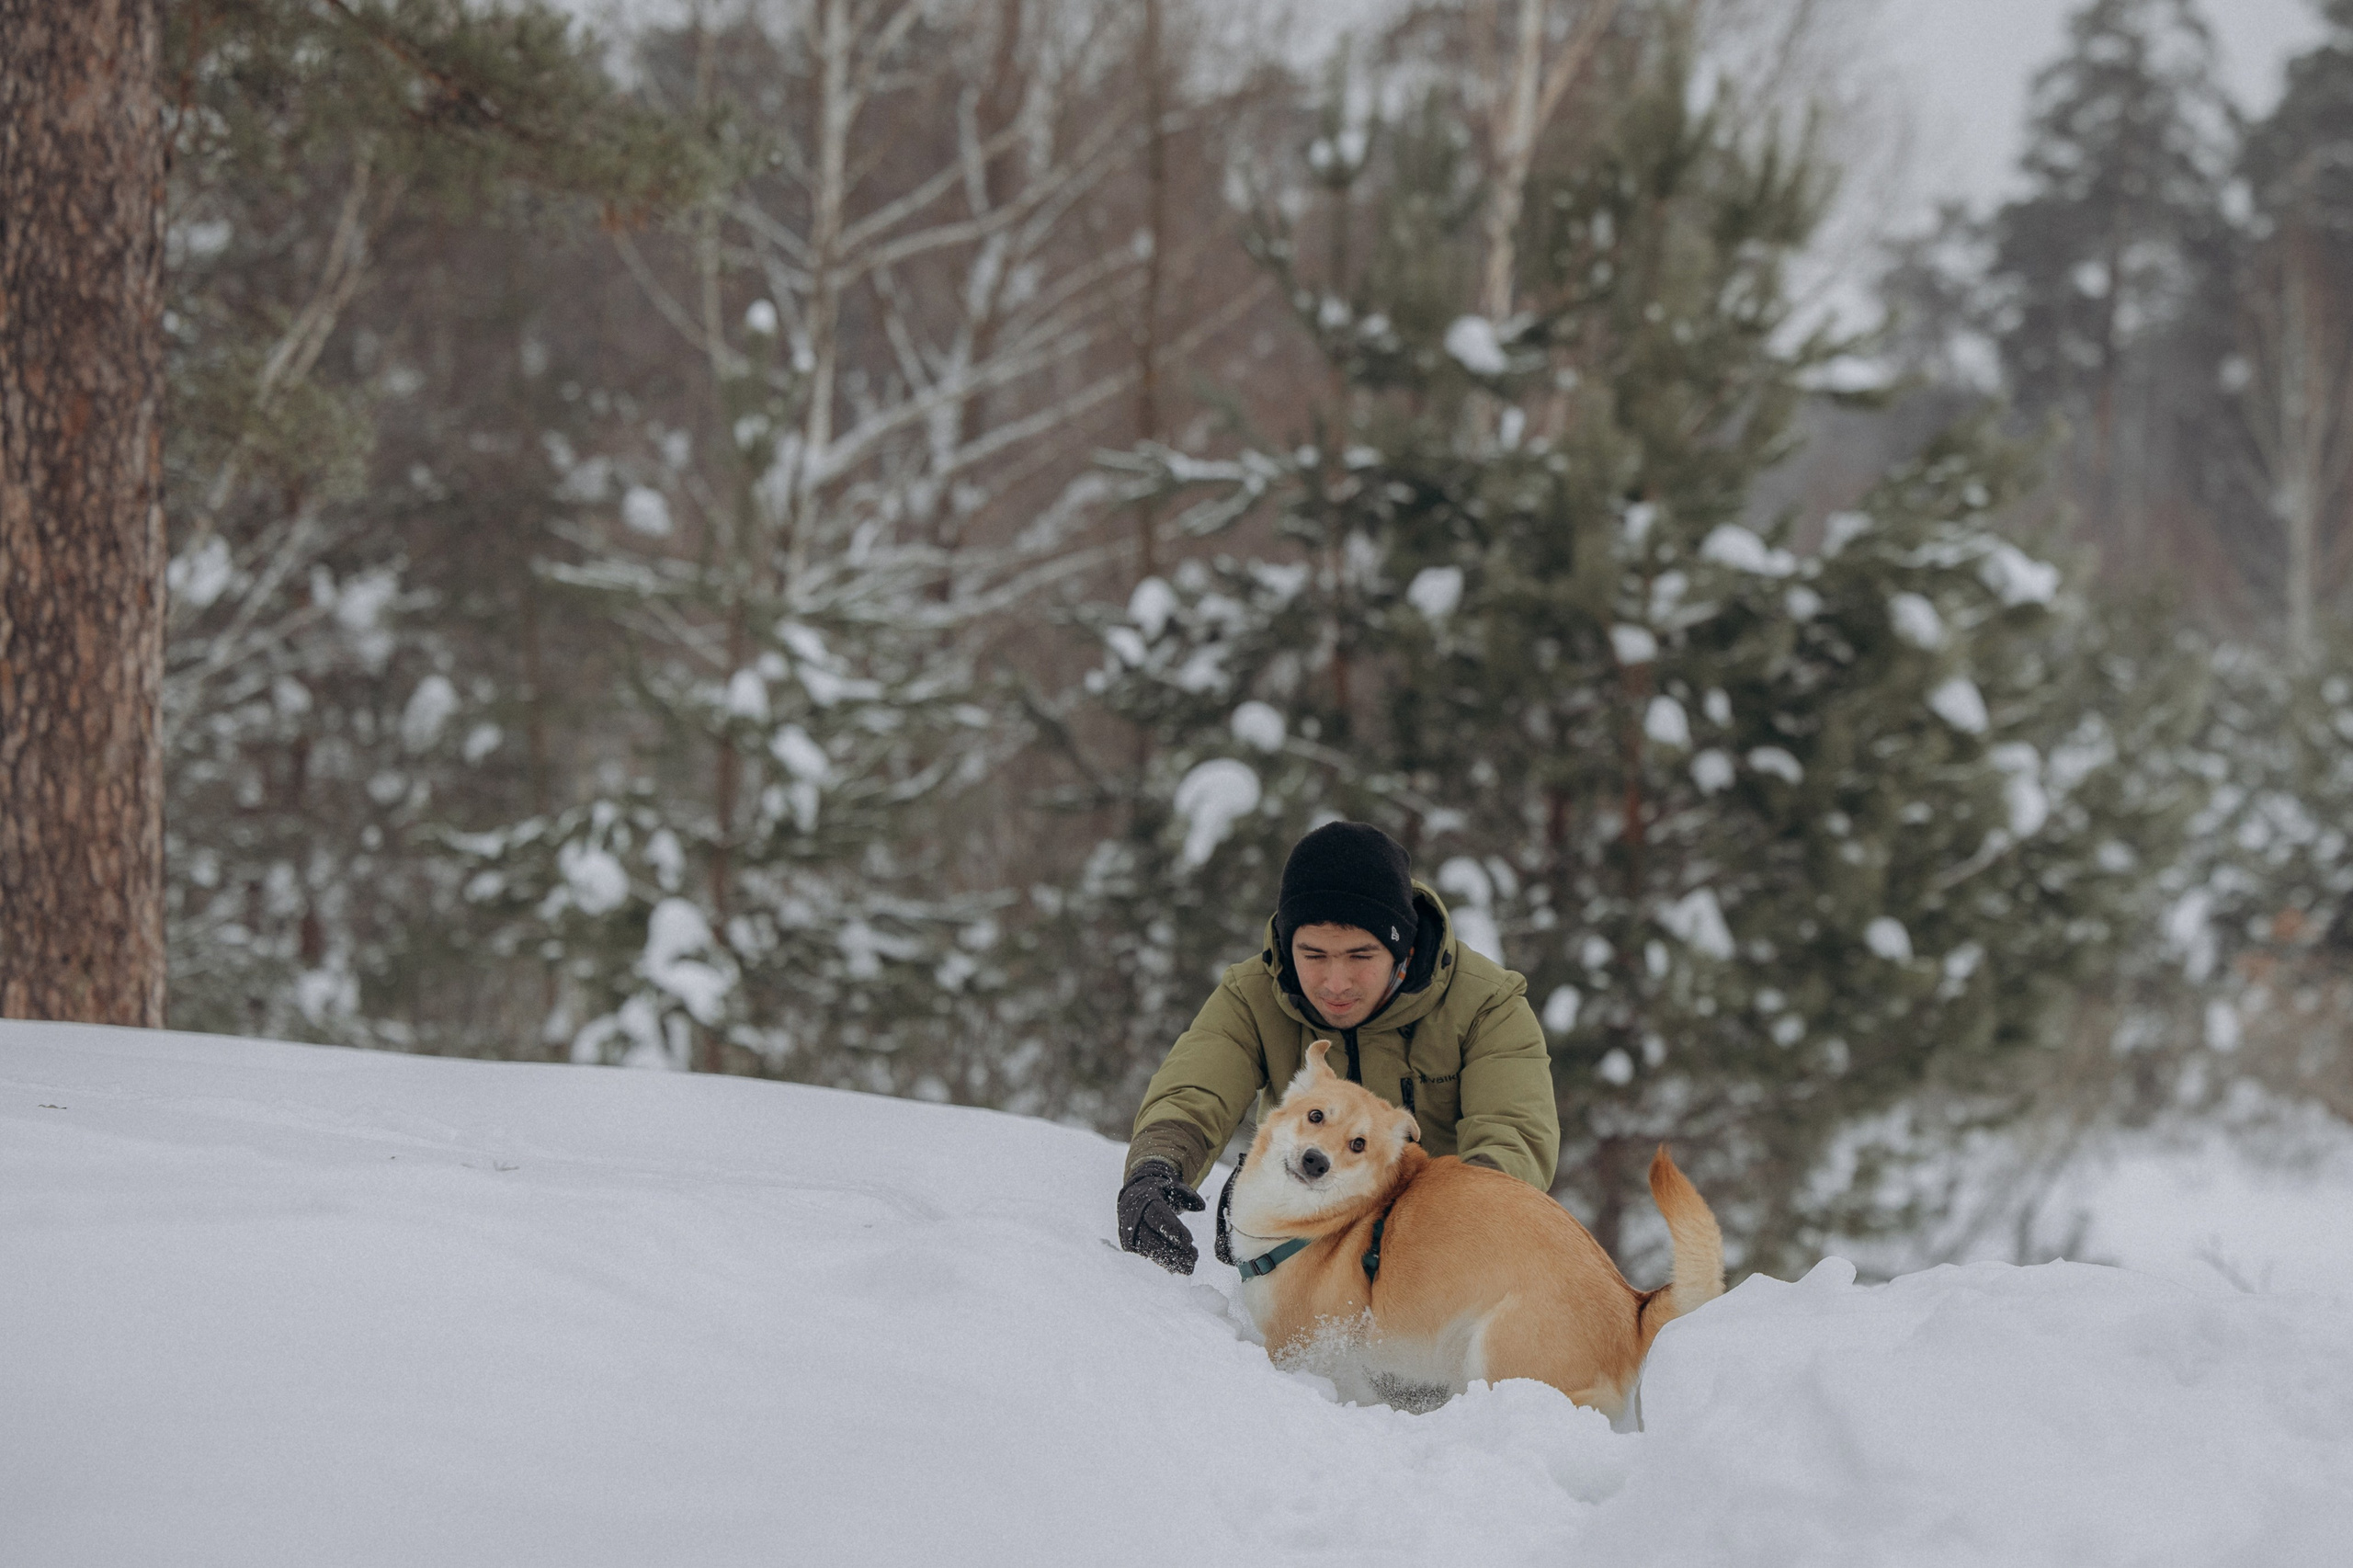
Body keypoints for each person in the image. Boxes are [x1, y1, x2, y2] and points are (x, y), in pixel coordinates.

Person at [1116, 820, 1560, 1274]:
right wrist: (1154, 1170)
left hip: (1439, 1242)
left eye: (1360, 956)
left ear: (1402, 950)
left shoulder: (1486, 1005)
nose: (1335, 984)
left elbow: (1513, 1135)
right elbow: (1195, 1092)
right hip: (1302, 1235)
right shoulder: (1252, 996)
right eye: (1313, 956)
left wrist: (1455, 1224)